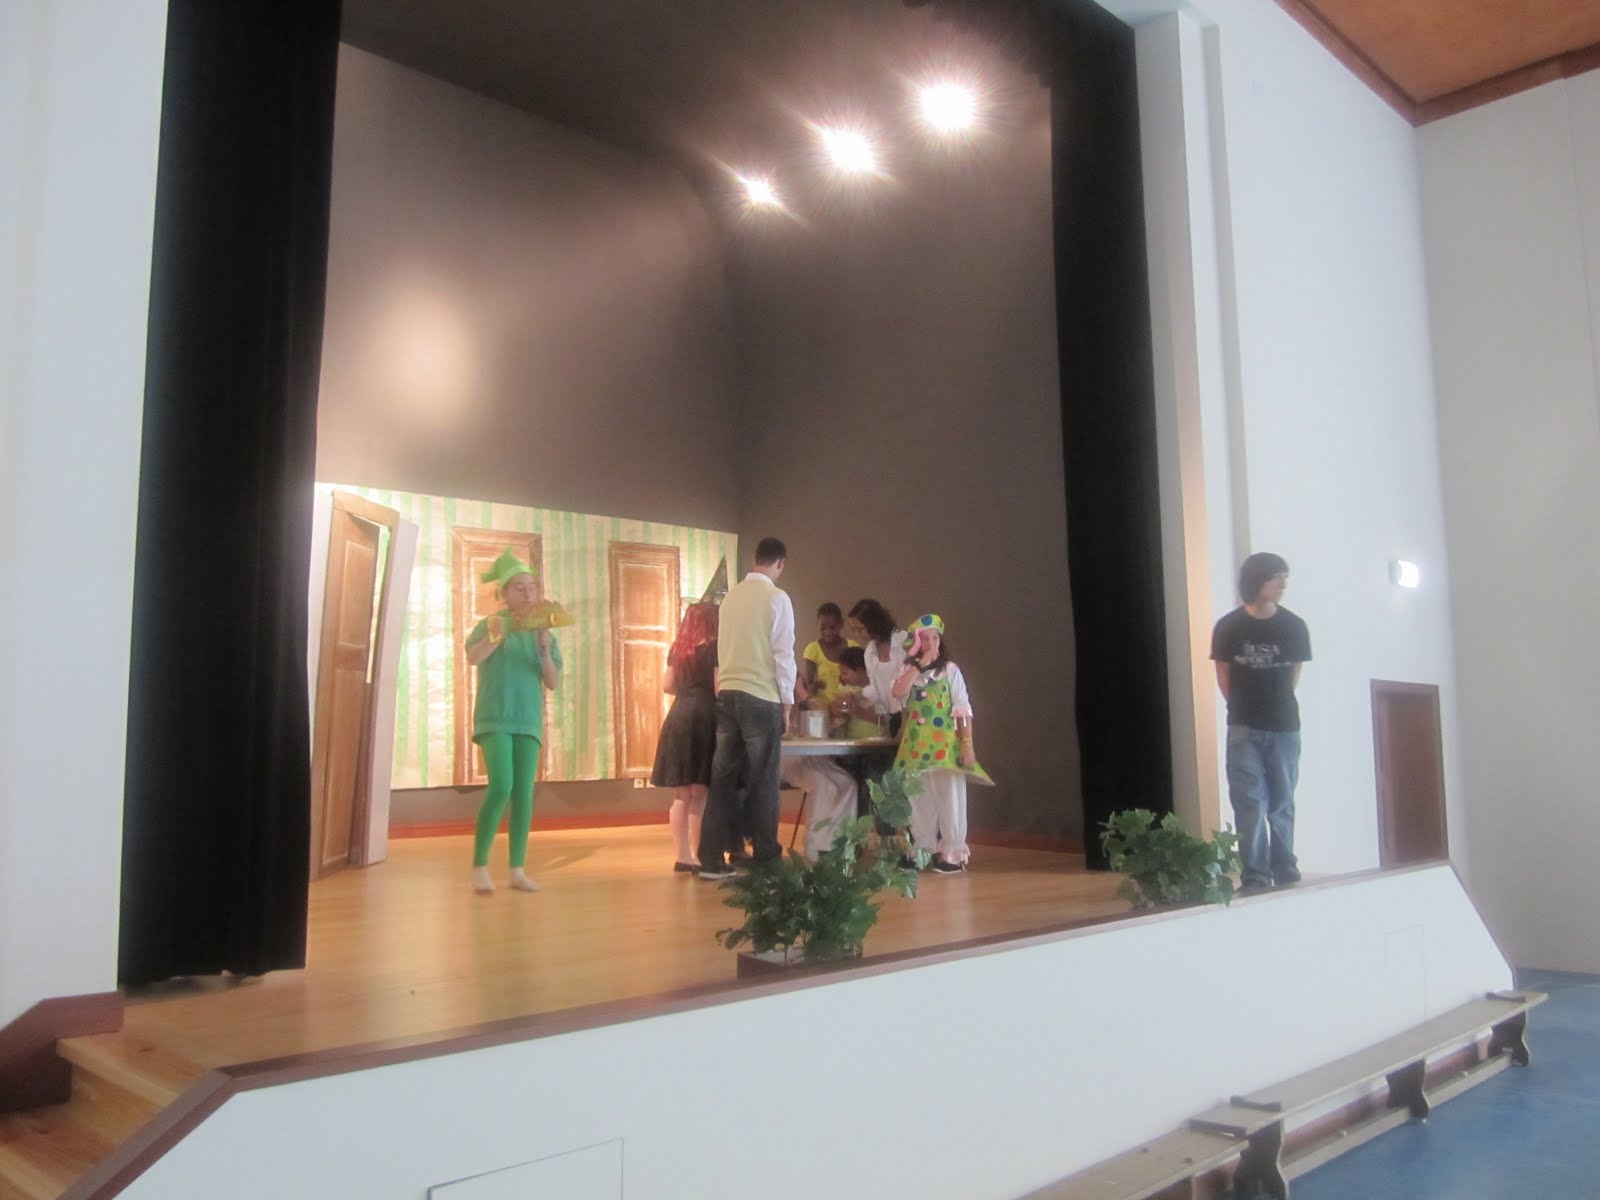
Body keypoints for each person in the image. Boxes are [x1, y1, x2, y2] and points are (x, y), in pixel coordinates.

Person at [464, 550, 565, 895]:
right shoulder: (492, 623)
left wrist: (544, 650)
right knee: (502, 786)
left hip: (528, 720)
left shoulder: (544, 631)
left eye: (532, 587)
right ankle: (479, 866)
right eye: (519, 587)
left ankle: (516, 870)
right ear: (504, 593)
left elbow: (552, 681)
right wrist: (500, 633)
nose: (527, 593)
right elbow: (473, 657)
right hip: (495, 717)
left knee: (523, 793)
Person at [1210, 552, 1312, 895]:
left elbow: (1295, 671)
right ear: (1258, 580)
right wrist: (1240, 706)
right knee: (1249, 800)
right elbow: (1223, 672)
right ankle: (1255, 873)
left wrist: (1275, 702)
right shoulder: (1229, 626)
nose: (1282, 584)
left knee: (1282, 799)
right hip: (1243, 726)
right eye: (1276, 577)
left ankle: (1284, 866)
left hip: (1284, 725)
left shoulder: (1293, 626)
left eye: (1284, 577)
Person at [697, 537, 796, 881]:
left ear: (755, 558)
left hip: (728, 693)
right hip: (761, 696)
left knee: (722, 778)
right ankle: (766, 858)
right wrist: (787, 703)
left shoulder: (731, 598)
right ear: (780, 563)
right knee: (764, 779)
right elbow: (783, 653)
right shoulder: (776, 598)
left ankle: (711, 858)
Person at [891, 613, 992, 873]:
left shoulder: (950, 671)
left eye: (935, 638)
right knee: (918, 798)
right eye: (925, 639)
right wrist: (919, 665)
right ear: (916, 643)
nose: (931, 644)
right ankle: (922, 849)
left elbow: (963, 707)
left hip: (944, 746)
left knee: (950, 798)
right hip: (916, 746)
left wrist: (967, 744)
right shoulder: (908, 671)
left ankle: (952, 852)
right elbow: (898, 692)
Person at [650, 602, 719, 874]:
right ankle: (701, 857)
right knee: (700, 793)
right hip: (704, 719)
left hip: (679, 717)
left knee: (682, 793)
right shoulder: (714, 648)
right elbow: (719, 688)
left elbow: (667, 685)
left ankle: (682, 856)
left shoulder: (679, 649)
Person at [845, 598, 907, 733]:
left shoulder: (904, 641)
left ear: (874, 623)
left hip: (910, 712)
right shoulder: (869, 652)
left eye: (860, 629)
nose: (857, 635)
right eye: (854, 630)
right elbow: (877, 689)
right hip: (893, 716)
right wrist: (856, 695)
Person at [800, 603, 859, 719]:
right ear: (817, 625)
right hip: (824, 712)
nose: (827, 632)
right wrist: (816, 686)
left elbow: (861, 680)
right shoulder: (813, 649)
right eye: (823, 628)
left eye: (832, 628)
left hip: (849, 708)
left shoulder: (853, 647)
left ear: (841, 624)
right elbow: (808, 687)